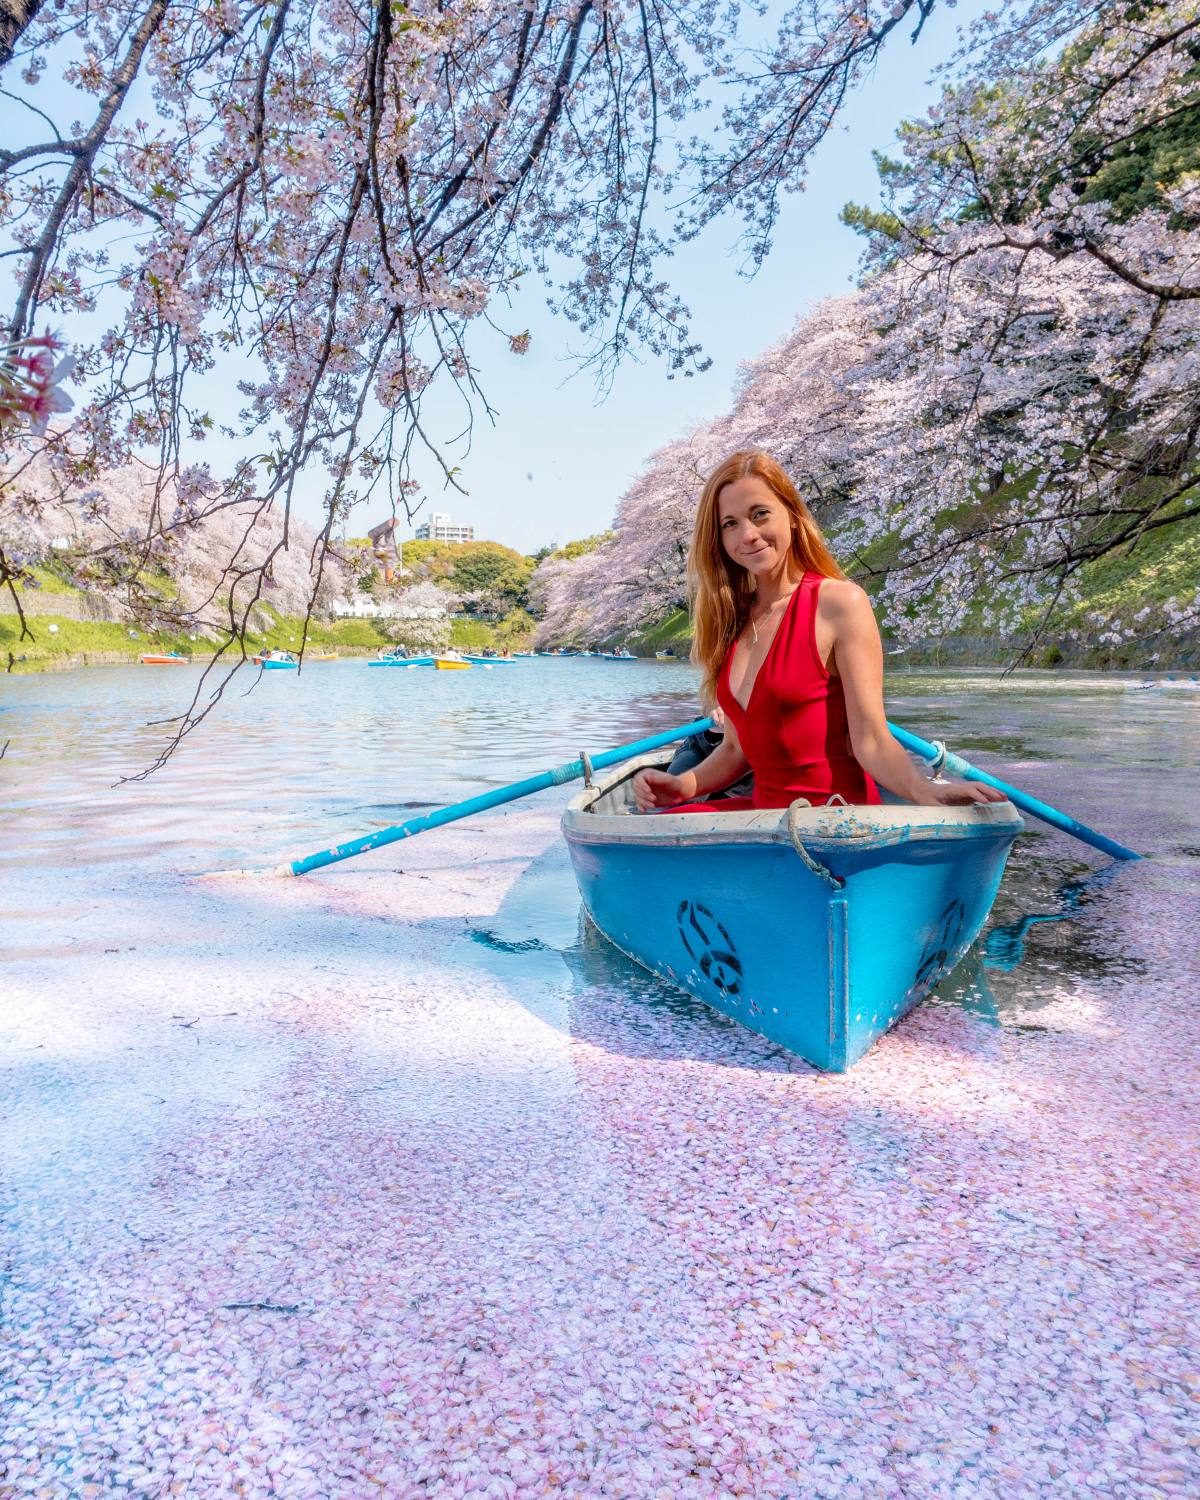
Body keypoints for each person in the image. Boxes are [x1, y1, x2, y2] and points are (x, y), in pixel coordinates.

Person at [633, 450, 1006, 813]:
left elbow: (872, 739)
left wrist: (922, 789)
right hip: (764, 821)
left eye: (760, 514)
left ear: (793, 517)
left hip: (837, 822)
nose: (747, 535)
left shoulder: (839, 604)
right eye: (730, 523)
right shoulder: (731, 618)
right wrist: (685, 785)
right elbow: (737, 749)